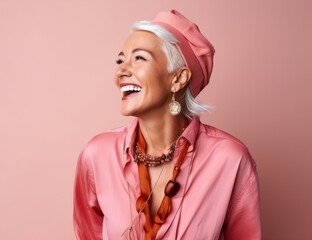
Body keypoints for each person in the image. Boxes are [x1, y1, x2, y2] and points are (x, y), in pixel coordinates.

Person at [73, 9, 261, 240]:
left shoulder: (230, 159)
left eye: (139, 58)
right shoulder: (97, 155)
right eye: (120, 60)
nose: (120, 71)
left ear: (178, 78)